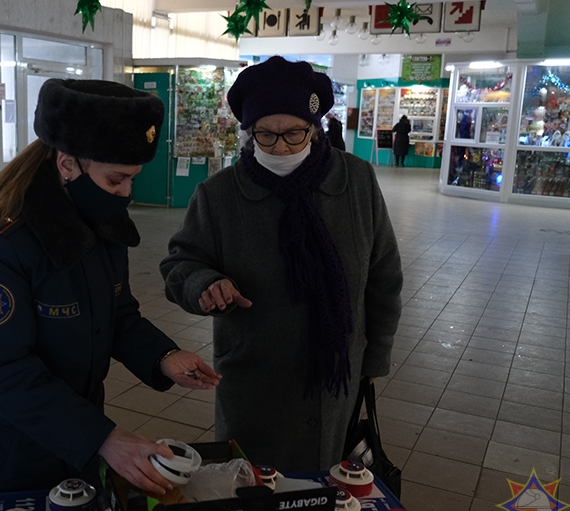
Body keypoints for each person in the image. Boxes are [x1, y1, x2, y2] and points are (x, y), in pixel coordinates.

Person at [0, 79, 221, 511]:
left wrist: (164, 356)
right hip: (7, 455)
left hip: (75, 451)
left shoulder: (101, 225)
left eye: (133, 177)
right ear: (66, 163)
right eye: (116, 179)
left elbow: (117, 313)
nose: (127, 192)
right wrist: (105, 438)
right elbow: (2, 370)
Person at [160, 56, 402, 473]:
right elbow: (180, 263)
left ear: (315, 126)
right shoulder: (220, 194)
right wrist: (204, 282)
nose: (282, 146)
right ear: (248, 133)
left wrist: (373, 359)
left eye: (294, 133)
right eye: (265, 136)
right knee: (251, 483)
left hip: (335, 374)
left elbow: (384, 276)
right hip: (255, 373)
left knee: (325, 487)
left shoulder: (356, 181)